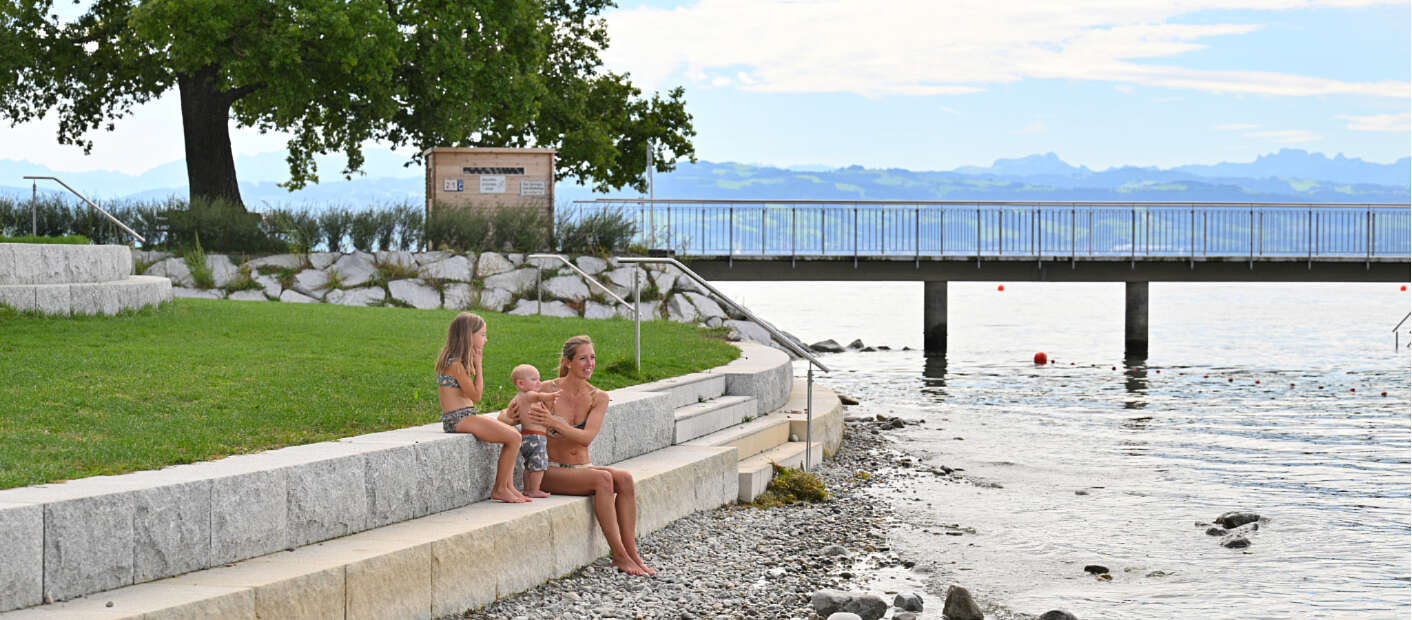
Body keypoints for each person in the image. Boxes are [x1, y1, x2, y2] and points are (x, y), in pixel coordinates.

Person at [524, 335, 656, 576]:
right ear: (568, 362)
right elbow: (520, 406)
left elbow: (586, 438)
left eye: (592, 358)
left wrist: (554, 422)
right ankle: (619, 556)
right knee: (603, 480)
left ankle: (632, 553)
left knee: (624, 479)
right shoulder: (547, 390)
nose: (590, 364)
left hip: (582, 467)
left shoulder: (598, 397)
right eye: (583, 358)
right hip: (550, 470)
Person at [435, 312, 529, 504]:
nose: (486, 339)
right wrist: (479, 365)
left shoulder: (455, 361)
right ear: (469, 335)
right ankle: (500, 488)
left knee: (513, 435)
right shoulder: (455, 365)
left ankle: (508, 486)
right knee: (514, 437)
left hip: (465, 415)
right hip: (459, 418)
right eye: (483, 334)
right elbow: (476, 395)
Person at [497, 364, 558, 498]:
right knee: (539, 464)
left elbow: (509, 412)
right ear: (521, 383)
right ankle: (534, 489)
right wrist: (553, 395)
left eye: (539, 379)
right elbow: (539, 396)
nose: (539, 383)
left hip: (525, 436)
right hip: (536, 438)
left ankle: (528, 488)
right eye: (534, 379)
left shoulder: (517, 398)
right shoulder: (529, 395)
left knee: (529, 465)